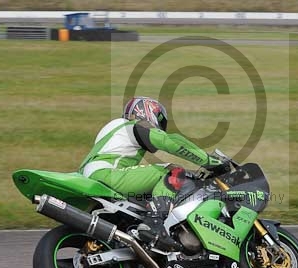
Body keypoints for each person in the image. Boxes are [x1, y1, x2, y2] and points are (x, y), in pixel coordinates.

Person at [79, 97, 228, 251]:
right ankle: (154, 222)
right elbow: (171, 142)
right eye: (159, 120)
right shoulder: (133, 125)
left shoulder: (115, 130)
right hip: (106, 174)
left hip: (95, 176)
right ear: (147, 111)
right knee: (174, 171)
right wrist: (210, 161)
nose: (159, 127)